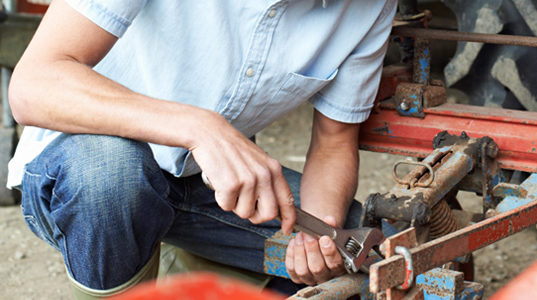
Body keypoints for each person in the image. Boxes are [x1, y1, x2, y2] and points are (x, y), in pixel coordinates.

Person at [6, 0, 396, 297]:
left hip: (201, 185)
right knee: (112, 172)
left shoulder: (370, 6)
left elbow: (333, 142)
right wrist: (199, 128)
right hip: (81, 171)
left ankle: (186, 269)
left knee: (368, 249)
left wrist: (319, 234)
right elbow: (34, 85)